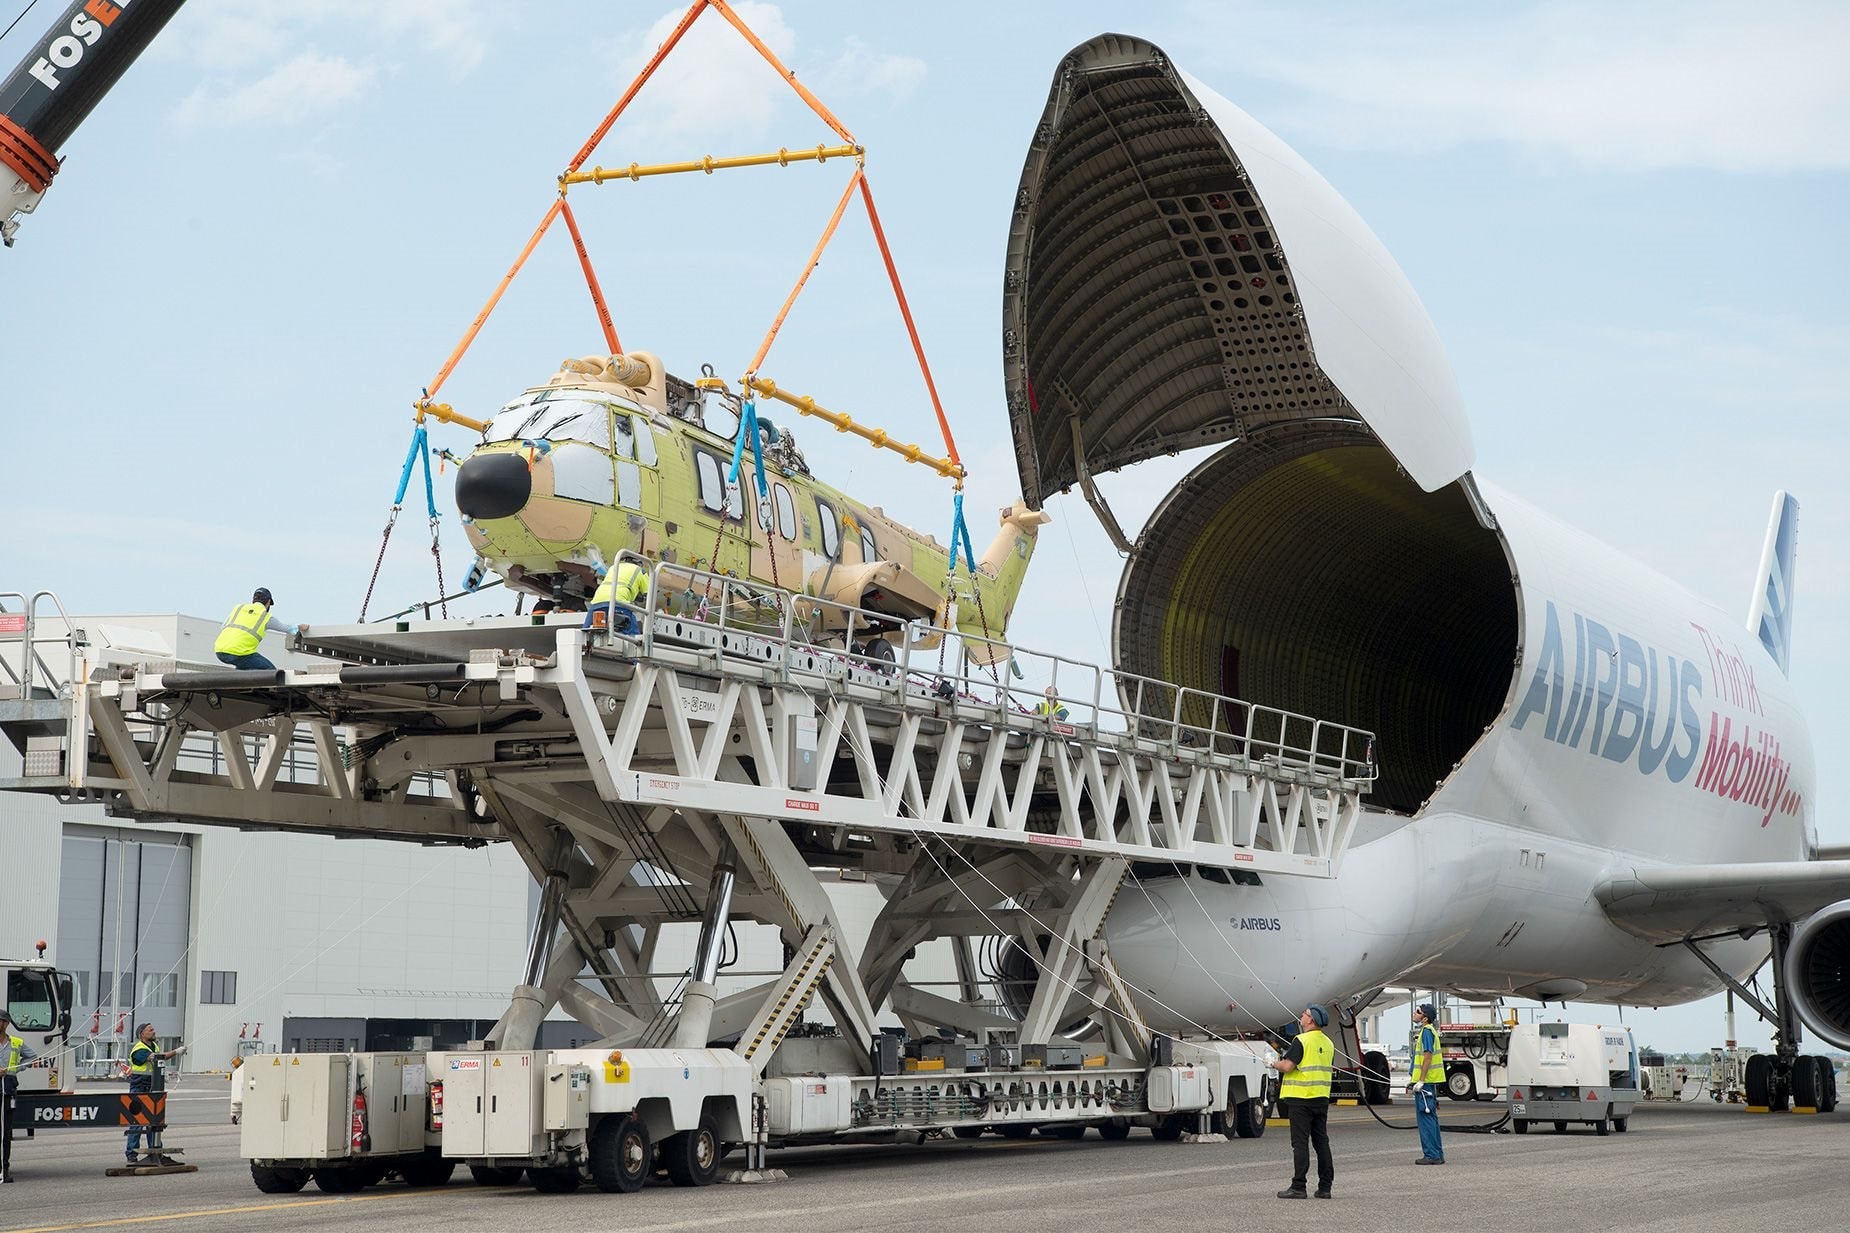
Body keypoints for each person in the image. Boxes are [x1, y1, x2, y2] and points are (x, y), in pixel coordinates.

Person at [1273, 1002, 1336, 1200]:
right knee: (1321, 1142)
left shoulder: (1301, 1041)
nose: (1302, 1015)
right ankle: (1325, 1187)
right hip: (1320, 1098)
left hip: (1300, 1099)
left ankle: (1298, 1186)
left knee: (1300, 1143)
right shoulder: (1328, 1043)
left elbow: (1288, 1066)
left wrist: (1272, 1062)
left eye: (1305, 1013)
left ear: (1312, 1020)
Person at [124, 1022, 183, 1163]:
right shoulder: (139, 1050)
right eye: (150, 1030)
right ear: (142, 1034)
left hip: (152, 1089)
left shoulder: (154, 1046)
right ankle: (131, 1154)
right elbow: (156, 1058)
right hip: (139, 1089)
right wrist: (176, 1052)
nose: (153, 1031)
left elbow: (157, 1060)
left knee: (154, 1122)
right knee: (137, 1122)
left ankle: (155, 1150)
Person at [214, 588, 300, 670]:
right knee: (271, 671)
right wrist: (301, 627)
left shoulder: (238, 609)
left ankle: (239, 682)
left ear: (253, 600)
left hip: (219, 650)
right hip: (239, 652)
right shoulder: (265, 616)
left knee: (244, 667)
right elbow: (289, 629)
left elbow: (223, 627)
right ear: (268, 602)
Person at [1, 1008, 39, 1183]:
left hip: (8, 1090)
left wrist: (14, 1069)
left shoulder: (16, 1043)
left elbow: (32, 1057)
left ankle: (4, 1169)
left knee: (5, 1133)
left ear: (7, 1023)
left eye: (2, 1020)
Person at [1411, 1002, 1446, 1164]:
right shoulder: (1429, 1031)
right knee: (1431, 1118)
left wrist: (1421, 1080)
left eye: (1418, 1012)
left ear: (1424, 1018)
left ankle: (1431, 1155)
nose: (1414, 1013)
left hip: (1425, 1084)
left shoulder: (1426, 1032)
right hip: (1430, 1083)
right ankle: (1437, 1154)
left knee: (1426, 1119)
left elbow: (1427, 1056)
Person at [586, 559, 649, 635]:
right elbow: (648, 595)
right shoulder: (640, 571)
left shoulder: (613, 567)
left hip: (597, 601)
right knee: (633, 635)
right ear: (639, 564)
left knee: (586, 632)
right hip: (618, 602)